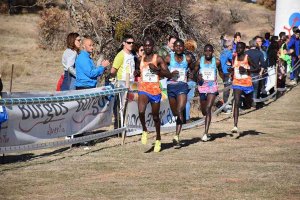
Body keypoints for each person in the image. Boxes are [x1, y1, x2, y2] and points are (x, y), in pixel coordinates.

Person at [136, 37, 168, 152]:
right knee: (141, 111)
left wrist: (157, 70)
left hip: (155, 91)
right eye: (145, 45)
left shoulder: (158, 58)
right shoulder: (141, 58)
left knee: (155, 117)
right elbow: (139, 71)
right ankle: (144, 129)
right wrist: (136, 72)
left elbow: (168, 74)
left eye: (149, 45)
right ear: (143, 46)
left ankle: (158, 138)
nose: (147, 47)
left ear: (153, 46)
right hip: (143, 89)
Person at [164, 39, 194, 147]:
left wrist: (192, 75)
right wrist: (170, 74)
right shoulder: (168, 58)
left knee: (180, 109)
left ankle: (176, 136)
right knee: (175, 113)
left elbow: (193, 69)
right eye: (176, 46)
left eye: (180, 46)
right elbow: (163, 70)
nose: (178, 48)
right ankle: (180, 116)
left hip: (182, 85)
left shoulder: (188, 58)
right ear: (174, 47)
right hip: (171, 86)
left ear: (183, 47)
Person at [229, 42, 260, 134]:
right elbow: (234, 67)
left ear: (244, 49)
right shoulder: (234, 57)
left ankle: (248, 103)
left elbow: (257, 68)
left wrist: (246, 70)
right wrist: (231, 70)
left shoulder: (247, 57)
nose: (238, 50)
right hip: (237, 82)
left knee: (248, 104)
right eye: (237, 48)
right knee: (237, 102)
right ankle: (235, 125)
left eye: (240, 48)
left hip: (247, 84)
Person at [195, 44, 222, 141]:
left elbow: (221, 72)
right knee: (204, 111)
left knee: (208, 107)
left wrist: (226, 79)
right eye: (206, 51)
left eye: (209, 51)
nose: (208, 53)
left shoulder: (217, 62)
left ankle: (205, 133)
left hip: (212, 87)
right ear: (203, 52)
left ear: (212, 51)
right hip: (202, 87)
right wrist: (197, 77)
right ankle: (206, 120)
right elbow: (194, 72)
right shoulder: (199, 61)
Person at [110, 34, 137, 129]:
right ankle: (119, 127)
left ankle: (130, 126)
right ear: (124, 43)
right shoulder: (120, 55)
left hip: (132, 82)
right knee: (121, 106)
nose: (131, 44)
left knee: (131, 105)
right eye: (129, 43)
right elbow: (113, 70)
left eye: (132, 43)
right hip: (122, 83)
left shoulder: (133, 55)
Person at [245, 39, 266, 108]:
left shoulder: (246, 53)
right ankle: (254, 102)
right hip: (256, 73)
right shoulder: (260, 53)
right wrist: (261, 72)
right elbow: (263, 64)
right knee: (255, 89)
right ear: (255, 45)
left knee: (247, 88)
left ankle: (247, 102)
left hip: (248, 73)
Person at [184, 39, 197, 123]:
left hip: (183, 79)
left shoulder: (182, 55)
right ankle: (187, 118)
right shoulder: (192, 56)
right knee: (187, 100)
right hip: (190, 80)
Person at [220, 39, 233, 113]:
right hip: (227, 72)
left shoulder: (222, 52)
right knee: (227, 88)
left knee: (226, 87)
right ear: (228, 46)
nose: (232, 46)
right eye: (231, 45)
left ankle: (225, 103)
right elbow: (234, 60)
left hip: (223, 72)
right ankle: (225, 104)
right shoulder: (229, 53)